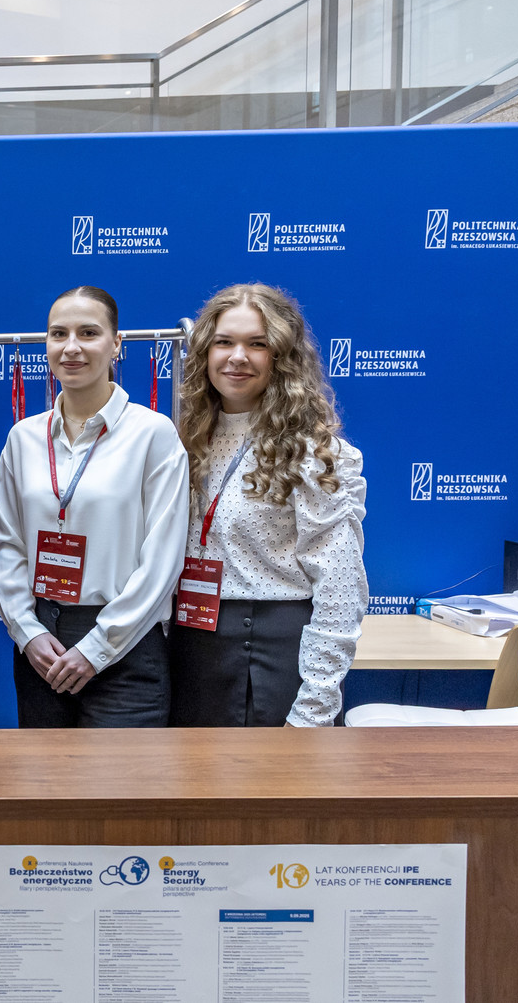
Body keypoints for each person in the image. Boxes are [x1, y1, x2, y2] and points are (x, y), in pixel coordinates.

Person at [0, 286, 188, 728]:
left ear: (116, 344)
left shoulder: (153, 434)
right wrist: (27, 632)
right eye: (59, 334)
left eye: (89, 333)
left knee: (117, 776)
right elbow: (4, 545)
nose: (71, 347)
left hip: (126, 646)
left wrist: (97, 649)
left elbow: (163, 560)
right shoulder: (23, 437)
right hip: (42, 647)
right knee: (43, 774)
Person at [169, 283, 367, 728]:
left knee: (276, 775)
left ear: (282, 357)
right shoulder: (184, 441)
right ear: (204, 353)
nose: (237, 357)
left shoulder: (313, 454)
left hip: (273, 653)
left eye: (257, 344)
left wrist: (315, 703)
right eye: (224, 342)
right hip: (192, 644)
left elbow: (339, 588)